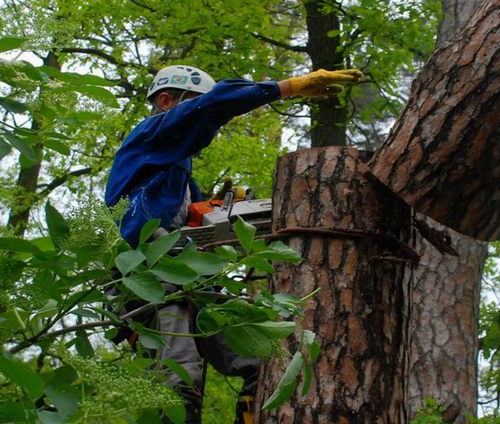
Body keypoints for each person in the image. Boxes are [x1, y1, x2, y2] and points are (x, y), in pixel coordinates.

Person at [104, 64, 362, 424]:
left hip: (189, 276)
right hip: (148, 276)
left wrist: (212, 209)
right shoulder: (147, 137)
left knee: (263, 357)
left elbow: (188, 226)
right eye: (194, 104)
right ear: (166, 101)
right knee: (178, 375)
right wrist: (286, 87)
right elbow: (215, 104)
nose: (203, 117)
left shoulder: (175, 173)